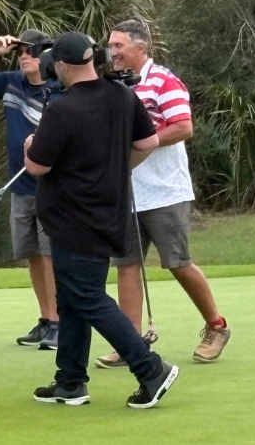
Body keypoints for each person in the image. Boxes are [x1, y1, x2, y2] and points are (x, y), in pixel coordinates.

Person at [25, 32, 178, 409]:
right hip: (107, 209)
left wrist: (31, 143)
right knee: (73, 298)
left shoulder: (61, 109)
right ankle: (70, 380)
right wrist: (112, 170)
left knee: (87, 296)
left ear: (60, 66)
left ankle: (150, 367)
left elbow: (36, 165)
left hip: (72, 216)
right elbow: (147, 143)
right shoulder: (122, 96)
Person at [95, 20, 230, 368]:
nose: (113, 52)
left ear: (140, 47)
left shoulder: (164, 81)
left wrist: (145, 140)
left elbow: (183, 126)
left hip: (165, 192)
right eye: (110, 46)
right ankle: (131, 343)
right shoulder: (113, 86)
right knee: (126, 265)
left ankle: (216, 326)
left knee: (177, 263)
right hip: (127, 193)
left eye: (119, 45)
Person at [0, 29, 60, 349]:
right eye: (21, 52)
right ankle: (46, 319)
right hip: (20, 187)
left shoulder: (60, 91)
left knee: (49, 256)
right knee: (31, 254)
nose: (24, 57)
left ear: (47, 56)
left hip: (53, 188)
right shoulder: (11, 84)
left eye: (31, 51)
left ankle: (60, 322)